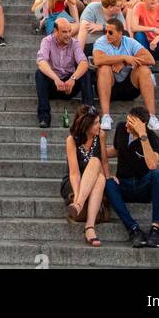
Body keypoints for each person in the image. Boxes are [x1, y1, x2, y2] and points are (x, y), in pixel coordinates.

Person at [102, 105, 159, 249]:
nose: (126, 124)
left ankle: (155, 229)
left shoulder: (153, 139)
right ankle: (133, 229)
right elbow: (117, 150)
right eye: (127, 120)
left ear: (141, 124)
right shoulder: (121, 129)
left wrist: (143, 137)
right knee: (109, 183)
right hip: (124, 183)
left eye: (131, 122)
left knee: (157, 175)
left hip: (143, 186)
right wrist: (95, 152)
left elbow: (152, 165)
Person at [92, 16, 159, 132]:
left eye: (110, 32)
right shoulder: (101, 41)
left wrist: (125, 63)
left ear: (120, 33)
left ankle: (151, 117)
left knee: (144, 70)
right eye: (106, 32)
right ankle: (105, 116)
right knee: (103, 68)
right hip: (110, 85)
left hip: (129, 87)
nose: (107, 35)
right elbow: (98, 60)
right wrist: (124, 58)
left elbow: (150, 59)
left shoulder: (129, 42)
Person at [35, 16, 93, 128]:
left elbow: (84, 63)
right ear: (55, 31)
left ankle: (88, 114)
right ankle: (44, 116)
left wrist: (73, 79)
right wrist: (56, 79)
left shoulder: (74, 43)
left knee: (86, 73)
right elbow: (41, 62)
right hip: (53, 84)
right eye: (64, 32)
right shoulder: (47, 41)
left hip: (69, 85)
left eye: (70, 31)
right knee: (39, 73)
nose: (68, 35)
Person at [61, 105, 106, 247]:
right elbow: (74, 173)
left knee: (98, 171)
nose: (99, 125)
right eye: (96, 123)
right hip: (73, 183)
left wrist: (110, 176)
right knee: (95, 165)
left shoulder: (101, 135)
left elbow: (104, 161)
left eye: (99, 121)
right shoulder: (71, 140)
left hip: (95, 182)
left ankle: (87, 223)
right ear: (85, 126)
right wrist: (78, 193)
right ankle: (85, 218)